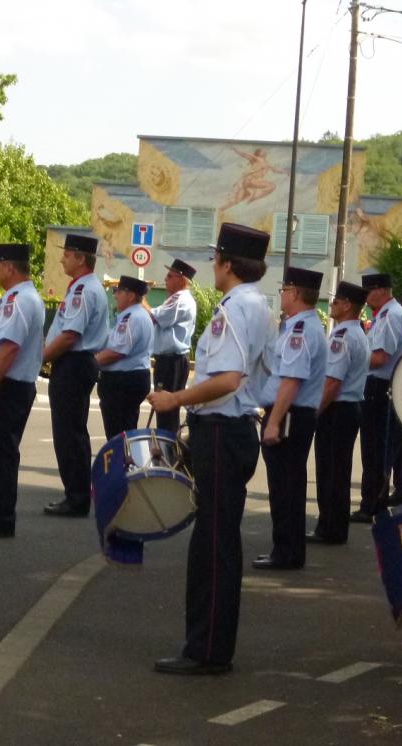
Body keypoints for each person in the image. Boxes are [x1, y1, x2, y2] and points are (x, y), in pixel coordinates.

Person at [146, 223, 272, 675]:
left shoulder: (236, 308)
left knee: (213, 545)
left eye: (217, 257)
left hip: (221, 430)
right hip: (229, 430)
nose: (213, 265)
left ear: (228, 263)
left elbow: (227, 379)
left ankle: (208, 650)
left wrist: (174, 399)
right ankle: (209, 644)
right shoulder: (256, 304)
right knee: (217, 541)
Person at [255, 267, 327, 570]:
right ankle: (286, 549)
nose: (281, 294)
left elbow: (291, 381)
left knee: (285, 487)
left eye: (285, 290)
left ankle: (286, 552)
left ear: (295, 293)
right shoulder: (300, 326)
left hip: (288, 415)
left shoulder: (300, 331)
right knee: (288, 485)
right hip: (293, 414)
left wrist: (273, 422)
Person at [0, 243, 45, 539]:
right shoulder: (22, 297)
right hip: (12, 385)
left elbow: (9, 346)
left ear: (9, 267)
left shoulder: (20, 300)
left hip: (7, 386)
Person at [43, 233, 109, 518]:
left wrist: (40, 359)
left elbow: (70, 335)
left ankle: (76, 496)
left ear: (81, 258)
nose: (62, 259)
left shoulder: (83, 290)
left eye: (68, 254)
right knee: (73, 431)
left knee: (68, 432)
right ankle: (77, 493)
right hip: (76, 363)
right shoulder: (83, 287)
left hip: (74, 363)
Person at [309, 281, 370, 545]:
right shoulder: (356, 333)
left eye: (335, 302)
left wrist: (314, 413)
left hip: (338, 409)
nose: (330, 305)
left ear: (347, 306)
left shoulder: (342, 336)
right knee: (338, 470)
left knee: (330, 470)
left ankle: (330, 528)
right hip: (348, 408)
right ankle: (334, 526)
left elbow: (333, 382)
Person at [352, 273, 402, 522]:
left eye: (368, 292)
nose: (365, 298)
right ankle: (372, 502)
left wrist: (354, 356)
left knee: (376, 450)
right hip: (377, 385)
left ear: (380, 291)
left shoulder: (391, 316)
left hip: (381, 386)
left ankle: (372, 505)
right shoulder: (387, 314)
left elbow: (379, 358)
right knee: (373, 449)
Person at [96, 275, 154, 437]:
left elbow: (117, 351)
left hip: (122, 382)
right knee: (126, 430)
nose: (115, 295)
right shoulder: (139, 315)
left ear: (130, 295)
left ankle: (122, 462)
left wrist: (91, 364)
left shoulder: (131, 317)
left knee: (118, 433)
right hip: (131, 378)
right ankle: (126, 461)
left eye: (119, 291)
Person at [151, 259, 198, 434]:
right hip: (169, 360)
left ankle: (169, 452)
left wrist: (138, 295)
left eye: (170, 276)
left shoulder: (180, 299)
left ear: (181, 279)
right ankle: (169, 450)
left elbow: (154, 317)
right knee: (165, 412)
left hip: (172, 361)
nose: (165, 279)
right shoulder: (176, 298)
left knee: (166, 410)